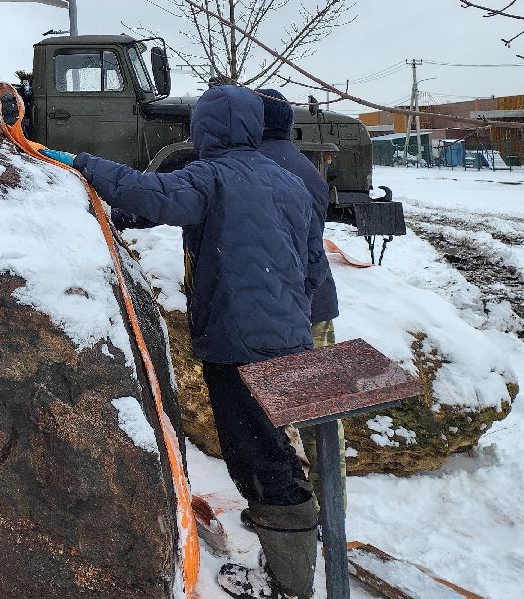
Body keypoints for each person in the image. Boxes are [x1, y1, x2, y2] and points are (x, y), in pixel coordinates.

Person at [46, 84, 319, 599]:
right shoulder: (285, 181)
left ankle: (288, 585)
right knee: (276, 448)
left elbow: (152, 194)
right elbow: (310, 264)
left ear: (205, 128)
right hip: (286, 333)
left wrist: (80, 162)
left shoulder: (211, 175)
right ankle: (288, 560)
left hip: (239, 339)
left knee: (258, 459)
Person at [258, 88, 343, 508]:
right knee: (320, 417)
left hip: (280, 308)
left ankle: (307, 509)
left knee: (289, 416)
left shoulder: (256, 168)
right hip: (315, 304)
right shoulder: (304, 168)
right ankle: (330, 507)